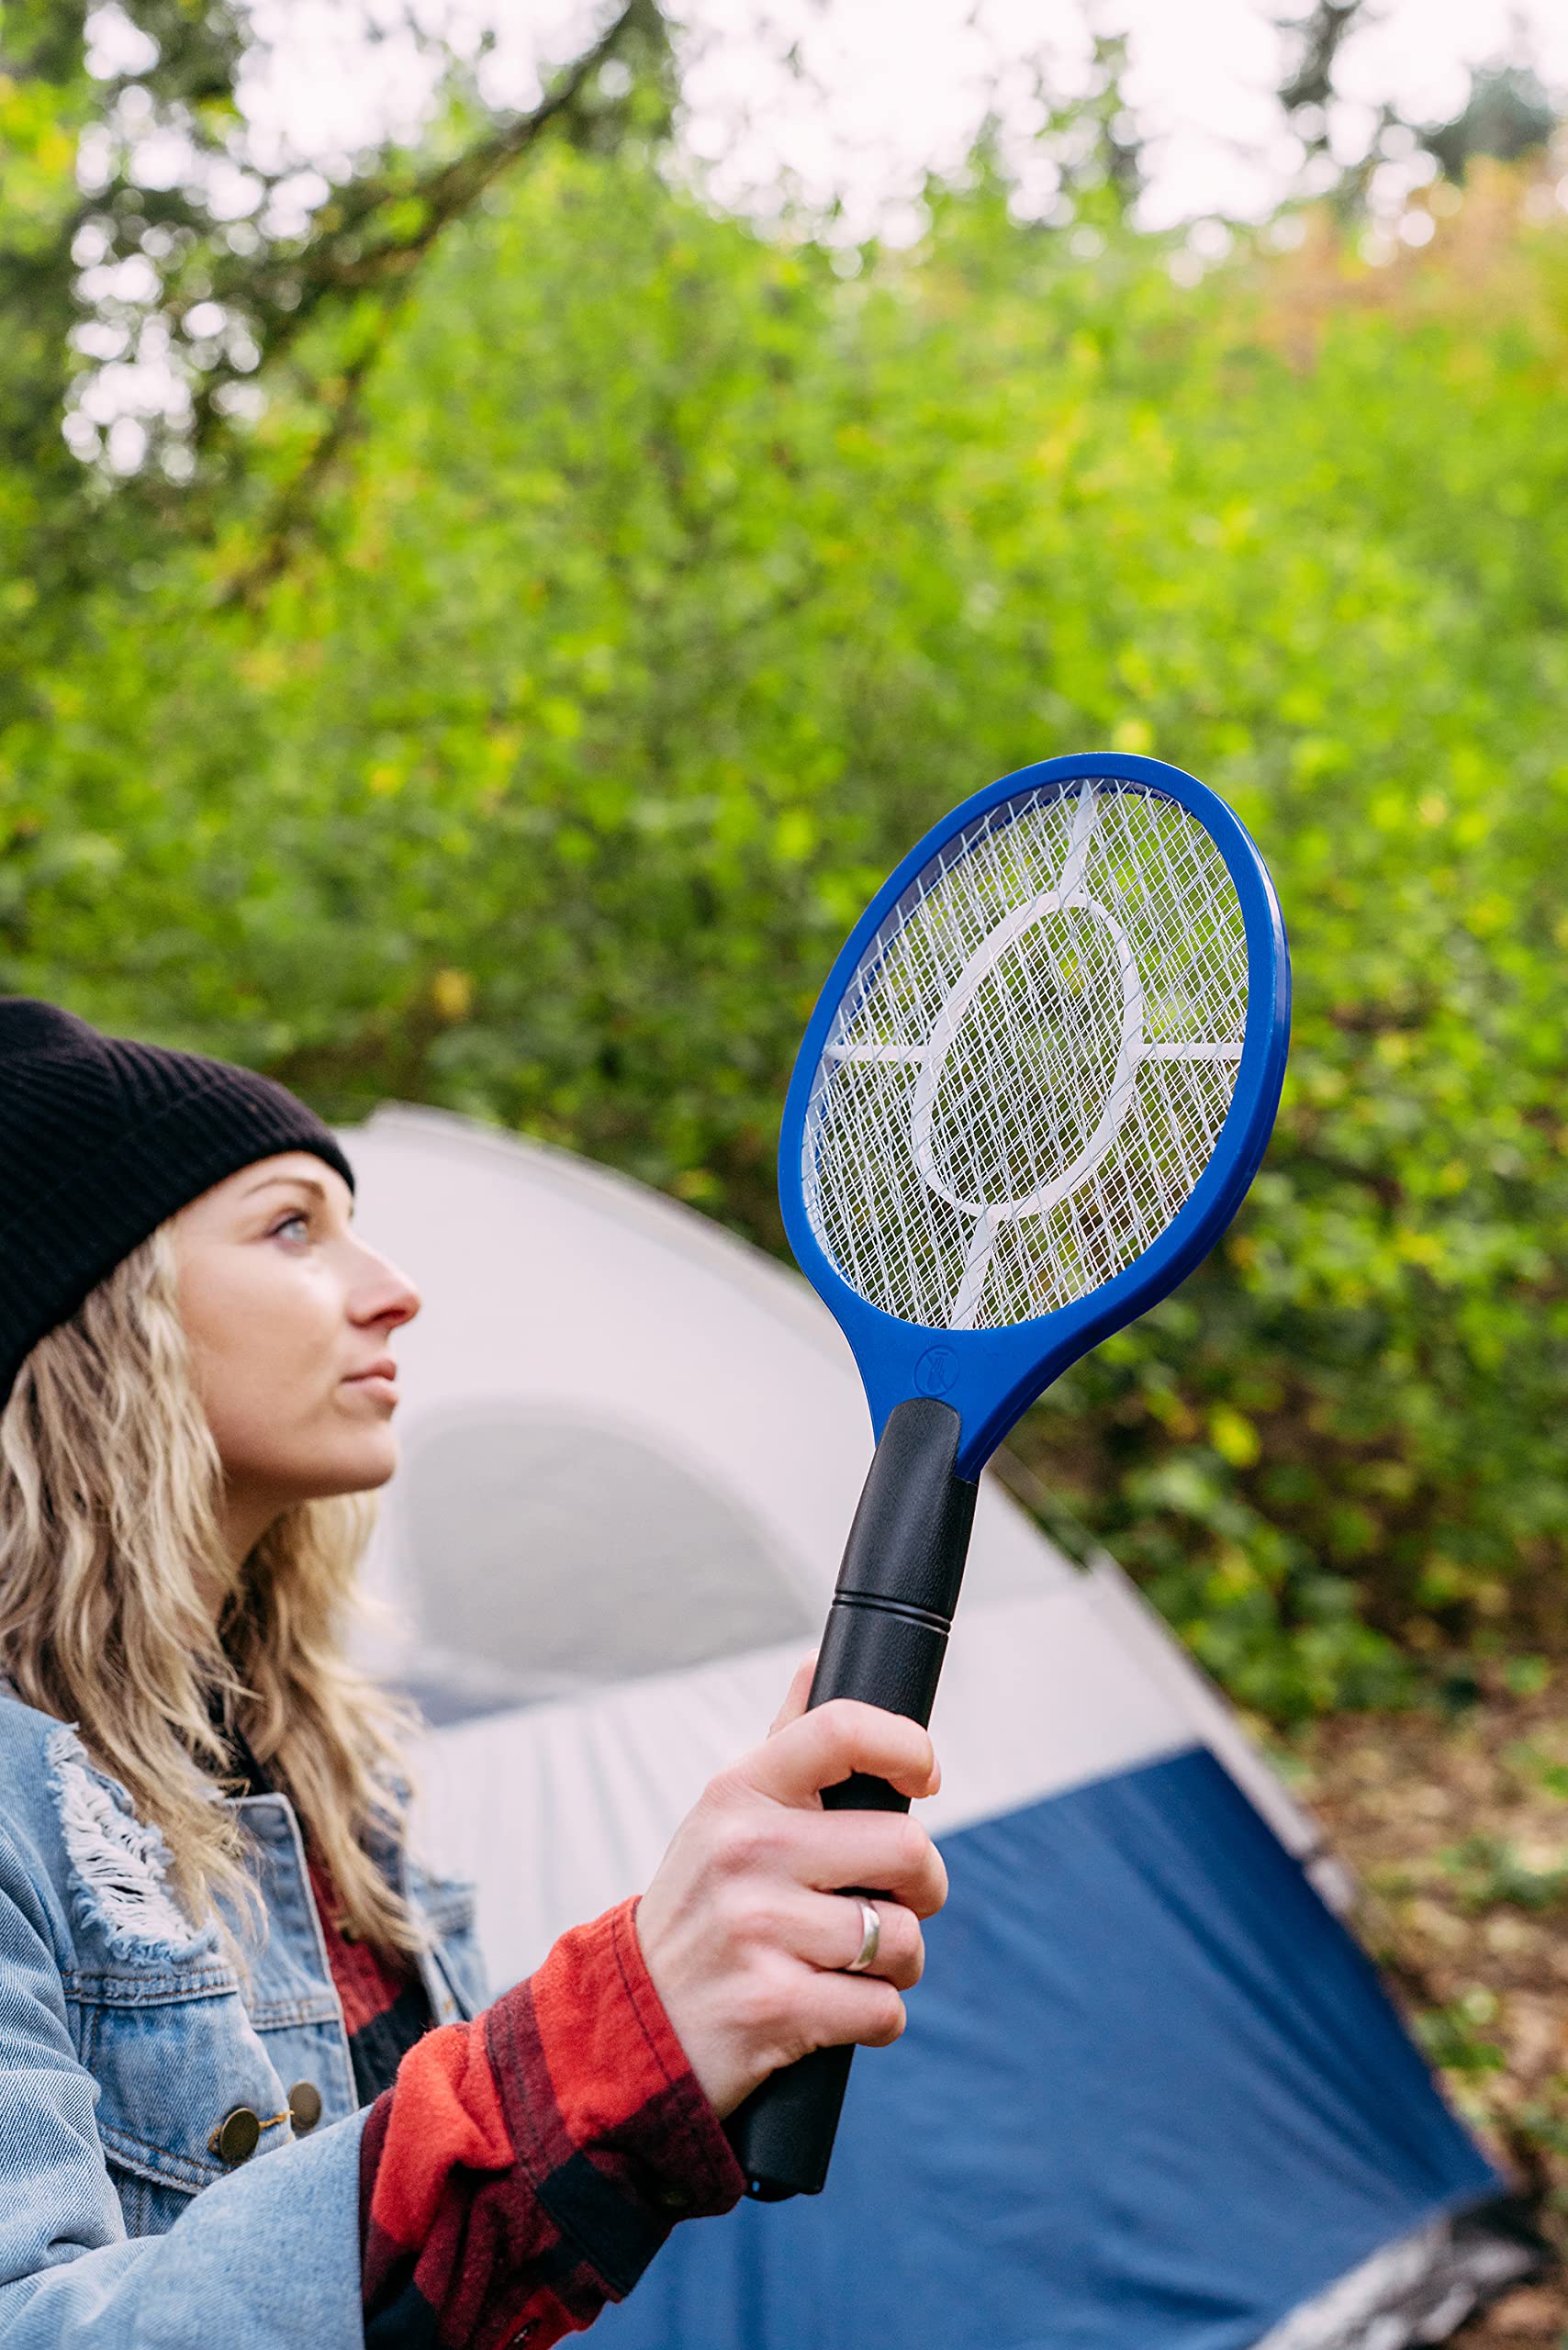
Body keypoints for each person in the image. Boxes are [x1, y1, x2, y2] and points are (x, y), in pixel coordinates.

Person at [0, 997, 947, 2349]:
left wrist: (686, 2025)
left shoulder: (316, 1765)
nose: (394, 1286)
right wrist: (607, 2035)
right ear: (100, 1318)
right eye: (290, 1226)